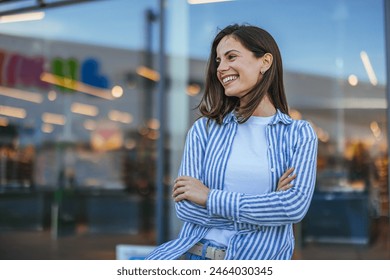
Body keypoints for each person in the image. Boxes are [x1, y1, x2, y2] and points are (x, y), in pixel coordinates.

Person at [146, 23, 318, 260]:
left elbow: (293, 207)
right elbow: (185, 207)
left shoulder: (299, 134)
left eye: (231, 57)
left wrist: (209, 197)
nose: (221, 68)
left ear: (265, 62)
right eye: (218, 60)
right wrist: (267, 207)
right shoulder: (204, 130)